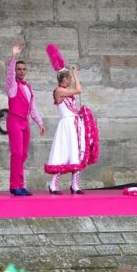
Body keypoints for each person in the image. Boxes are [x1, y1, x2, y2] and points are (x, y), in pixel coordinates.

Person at [43, 44, 99, 195]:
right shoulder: (59, 91)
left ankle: (75, 185)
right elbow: (79, 90)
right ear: (65, 79)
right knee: (63, 152)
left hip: (74, 124)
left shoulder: (66, 91)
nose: (70, 81)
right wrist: (76, 75)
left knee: (76, 152)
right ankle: (53, 184)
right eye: (69, 79)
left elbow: (75, 92)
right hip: (66, 124)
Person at [6, 42, 45, 196]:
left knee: (23, 155)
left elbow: (32, 108)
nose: (21, 72)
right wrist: (14, 56)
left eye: (23, 69)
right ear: (15, 70)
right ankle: (14, 185)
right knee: (16, 153)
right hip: (14, 120)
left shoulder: (28, 87)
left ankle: (20, 184)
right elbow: (9, 74)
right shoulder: (12, 86)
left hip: (25, 122)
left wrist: (40, 122)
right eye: (18, 69)